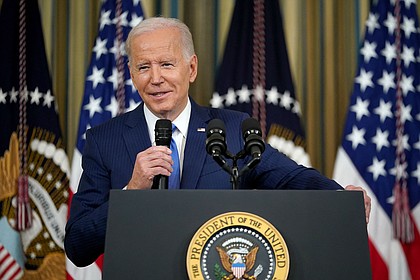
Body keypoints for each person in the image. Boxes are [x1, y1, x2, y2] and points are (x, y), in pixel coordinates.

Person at [65, 17, 371, 267]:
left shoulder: (232, 129)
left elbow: (291, 177)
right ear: (132, 74)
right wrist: (130, 193)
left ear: (192, 68)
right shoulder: (104, 140)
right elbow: (78, 247)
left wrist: (340, 195)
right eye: (144, 67)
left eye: (167, 65)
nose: (155, 78)